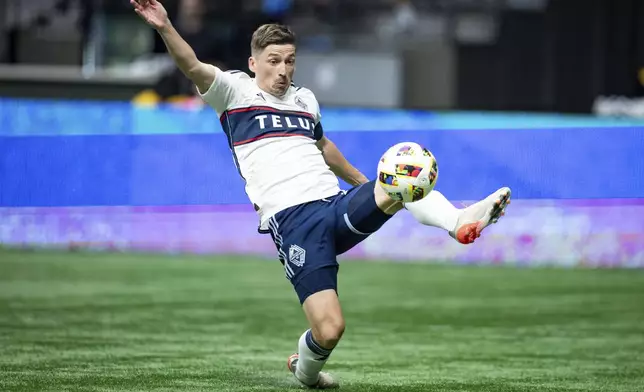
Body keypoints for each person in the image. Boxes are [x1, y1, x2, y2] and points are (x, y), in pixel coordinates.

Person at [130, 0, 511, 388]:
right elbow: (191, 64)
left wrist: (364, 185)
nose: (283, 70)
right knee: (330, 330)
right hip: (294, 222)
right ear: (253, 63)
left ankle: (458, 222)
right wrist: (164, 26)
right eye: (274, 60)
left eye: (290, 61)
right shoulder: (232, 92)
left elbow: (324, 147)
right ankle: (306, 371)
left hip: (333, 205)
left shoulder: (304, 100)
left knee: (400, 178)